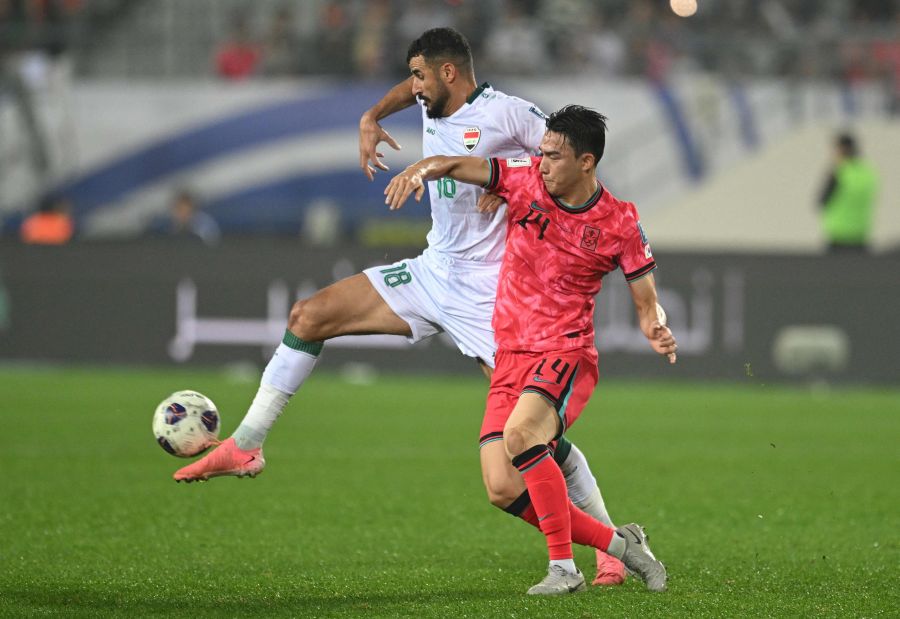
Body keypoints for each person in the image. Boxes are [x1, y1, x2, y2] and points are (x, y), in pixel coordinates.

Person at [174, 28, 626, 586]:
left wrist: (518, 183)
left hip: (492, 291)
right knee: (307, 317)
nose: (412, 88)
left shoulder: (509, 114)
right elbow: (405, 95)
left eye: (418, 76)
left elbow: (565, 156)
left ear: (448, 73)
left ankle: (613, 546)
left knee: (533, 434)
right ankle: (246, 444)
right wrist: (371, 115)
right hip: (433, 271)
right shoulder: (430, 99)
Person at [384, 104, 675, 595]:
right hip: (510, 355)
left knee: (522, 437)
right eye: (541, 153)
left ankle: (564, 569)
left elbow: (647, 303)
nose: (542, 164)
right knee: (501, 487)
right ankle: (621, 545)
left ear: (586, 162)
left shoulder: (620, 221)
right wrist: (420, 168)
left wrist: (656, 327)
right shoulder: (524, 179)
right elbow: (458, 164)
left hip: (564, 353)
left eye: (554, 156)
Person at [819, 132, 878, 253]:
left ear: (841, 149)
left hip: (838, 236)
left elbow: (821, 201)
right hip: (861, 235)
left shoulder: (838, 172)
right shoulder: (868, 172)